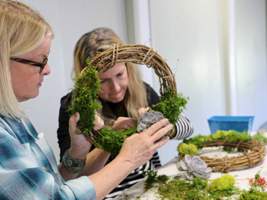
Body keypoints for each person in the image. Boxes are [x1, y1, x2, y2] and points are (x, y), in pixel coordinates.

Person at [0, 1, 173, 200]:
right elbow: (60, 195)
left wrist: (78, 151)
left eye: (120, 74)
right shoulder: (73, 107)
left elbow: (54, 183)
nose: (47, 70)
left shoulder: (14, 118)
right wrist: (127, 157)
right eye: (40, 61)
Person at [57, 27, 194, 199]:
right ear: (87, 80)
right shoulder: (73, 108)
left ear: (128, 66)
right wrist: (111, 139)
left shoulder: (142, 91)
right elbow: (73, 177)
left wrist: (158, 123)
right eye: (103, 81)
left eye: (120, 74)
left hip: (150, 188)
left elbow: (188, 127)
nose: (115, 88)